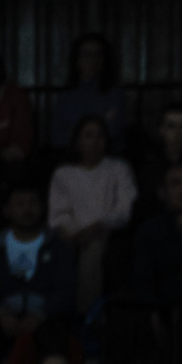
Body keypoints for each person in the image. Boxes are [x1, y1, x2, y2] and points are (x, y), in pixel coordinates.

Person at [48, 115, 135, 310]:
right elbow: (58, 214)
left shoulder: (118, 168)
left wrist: (97, 227)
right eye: (88, 135)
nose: (95, 142)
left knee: (93, 250)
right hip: (70, 234)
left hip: (105, 233)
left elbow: (123, 210)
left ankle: (87, 314)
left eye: (100, 136)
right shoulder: (63, 173)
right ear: (78, 141)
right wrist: (72, 233)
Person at [0, 182, 79, 364]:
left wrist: (39, 316)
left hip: (47, 324)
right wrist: (1, 314)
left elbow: (66, 292)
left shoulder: (58, 246)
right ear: (7, 210)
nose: (27, 209)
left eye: (33, 203)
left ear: (43, 207)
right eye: (20, 204)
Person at [131, 160, 182, 304]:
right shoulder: (150, 231)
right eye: (176, 183)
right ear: (162, 192)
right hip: (164, 306)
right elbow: (143, 280)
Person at [51, 32, 126, 148]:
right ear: (77, 59)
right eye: (87, 55)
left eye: (98, 55)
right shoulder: (66, 97)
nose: (93, 60)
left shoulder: (115, 94)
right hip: (71, 155)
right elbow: (57, 136)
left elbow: (112, 132)